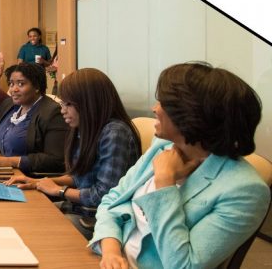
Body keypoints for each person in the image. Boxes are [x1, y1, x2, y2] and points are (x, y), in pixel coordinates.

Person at [90, 63, 271, 268]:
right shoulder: (163, 147)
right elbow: (112, 201)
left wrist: (165, 182)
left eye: (163, 103)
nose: (155, 108)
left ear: (191, 115)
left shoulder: (246, 190)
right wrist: (111, 251)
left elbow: (183, 265)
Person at [6, 68, 141, 239]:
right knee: (22, 215)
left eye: (68, 104)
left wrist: (59, 191)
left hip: (98, 221)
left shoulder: (115, 133)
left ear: (90, 103)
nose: (63, 110)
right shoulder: (86, 128)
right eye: (62, 104)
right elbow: (80, 177)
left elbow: (103, 195)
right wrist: (38, 182)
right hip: (80, 209)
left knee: (32, 230)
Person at [0, 53, 69, 174]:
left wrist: (13, 161)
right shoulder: (12, 105)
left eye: (21, 84)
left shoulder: (52, 113)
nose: (14, 89)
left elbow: (56, 160)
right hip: (7, 173)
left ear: (37, 86)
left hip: (31, 180)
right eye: (11, 84)